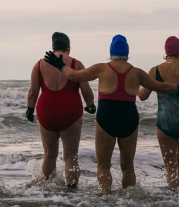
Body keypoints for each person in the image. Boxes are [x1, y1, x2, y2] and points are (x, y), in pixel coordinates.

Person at [44, 34, 179, 194]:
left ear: (111, 53)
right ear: (127, 54)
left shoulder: (101, 68)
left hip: (106, 117)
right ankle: (128, 201)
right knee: (128, 165)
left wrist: (61, 66)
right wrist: (177, 88)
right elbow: (162, 87)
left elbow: (74, 76)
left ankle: (107, 199)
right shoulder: (137, 72)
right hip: (129, 118)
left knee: (103, 165)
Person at [26, 31, 96, 189]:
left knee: (49, 154)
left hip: (46, 110)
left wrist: (30, 110)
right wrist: (90, 105)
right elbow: (86, 91)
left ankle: (47, 188)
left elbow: (32, 92)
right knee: (71, 156)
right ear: (68, 49)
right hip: (70, 111)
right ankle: (72, 189)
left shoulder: (39, 65)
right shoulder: (76, 64)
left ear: (53, 47)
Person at [138, 36, 179, 188]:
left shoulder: (155, 70)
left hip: (165, 121)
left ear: (166, 52)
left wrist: (136, 88)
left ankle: (173, 198)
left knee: (170, 166)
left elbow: (142, 96)